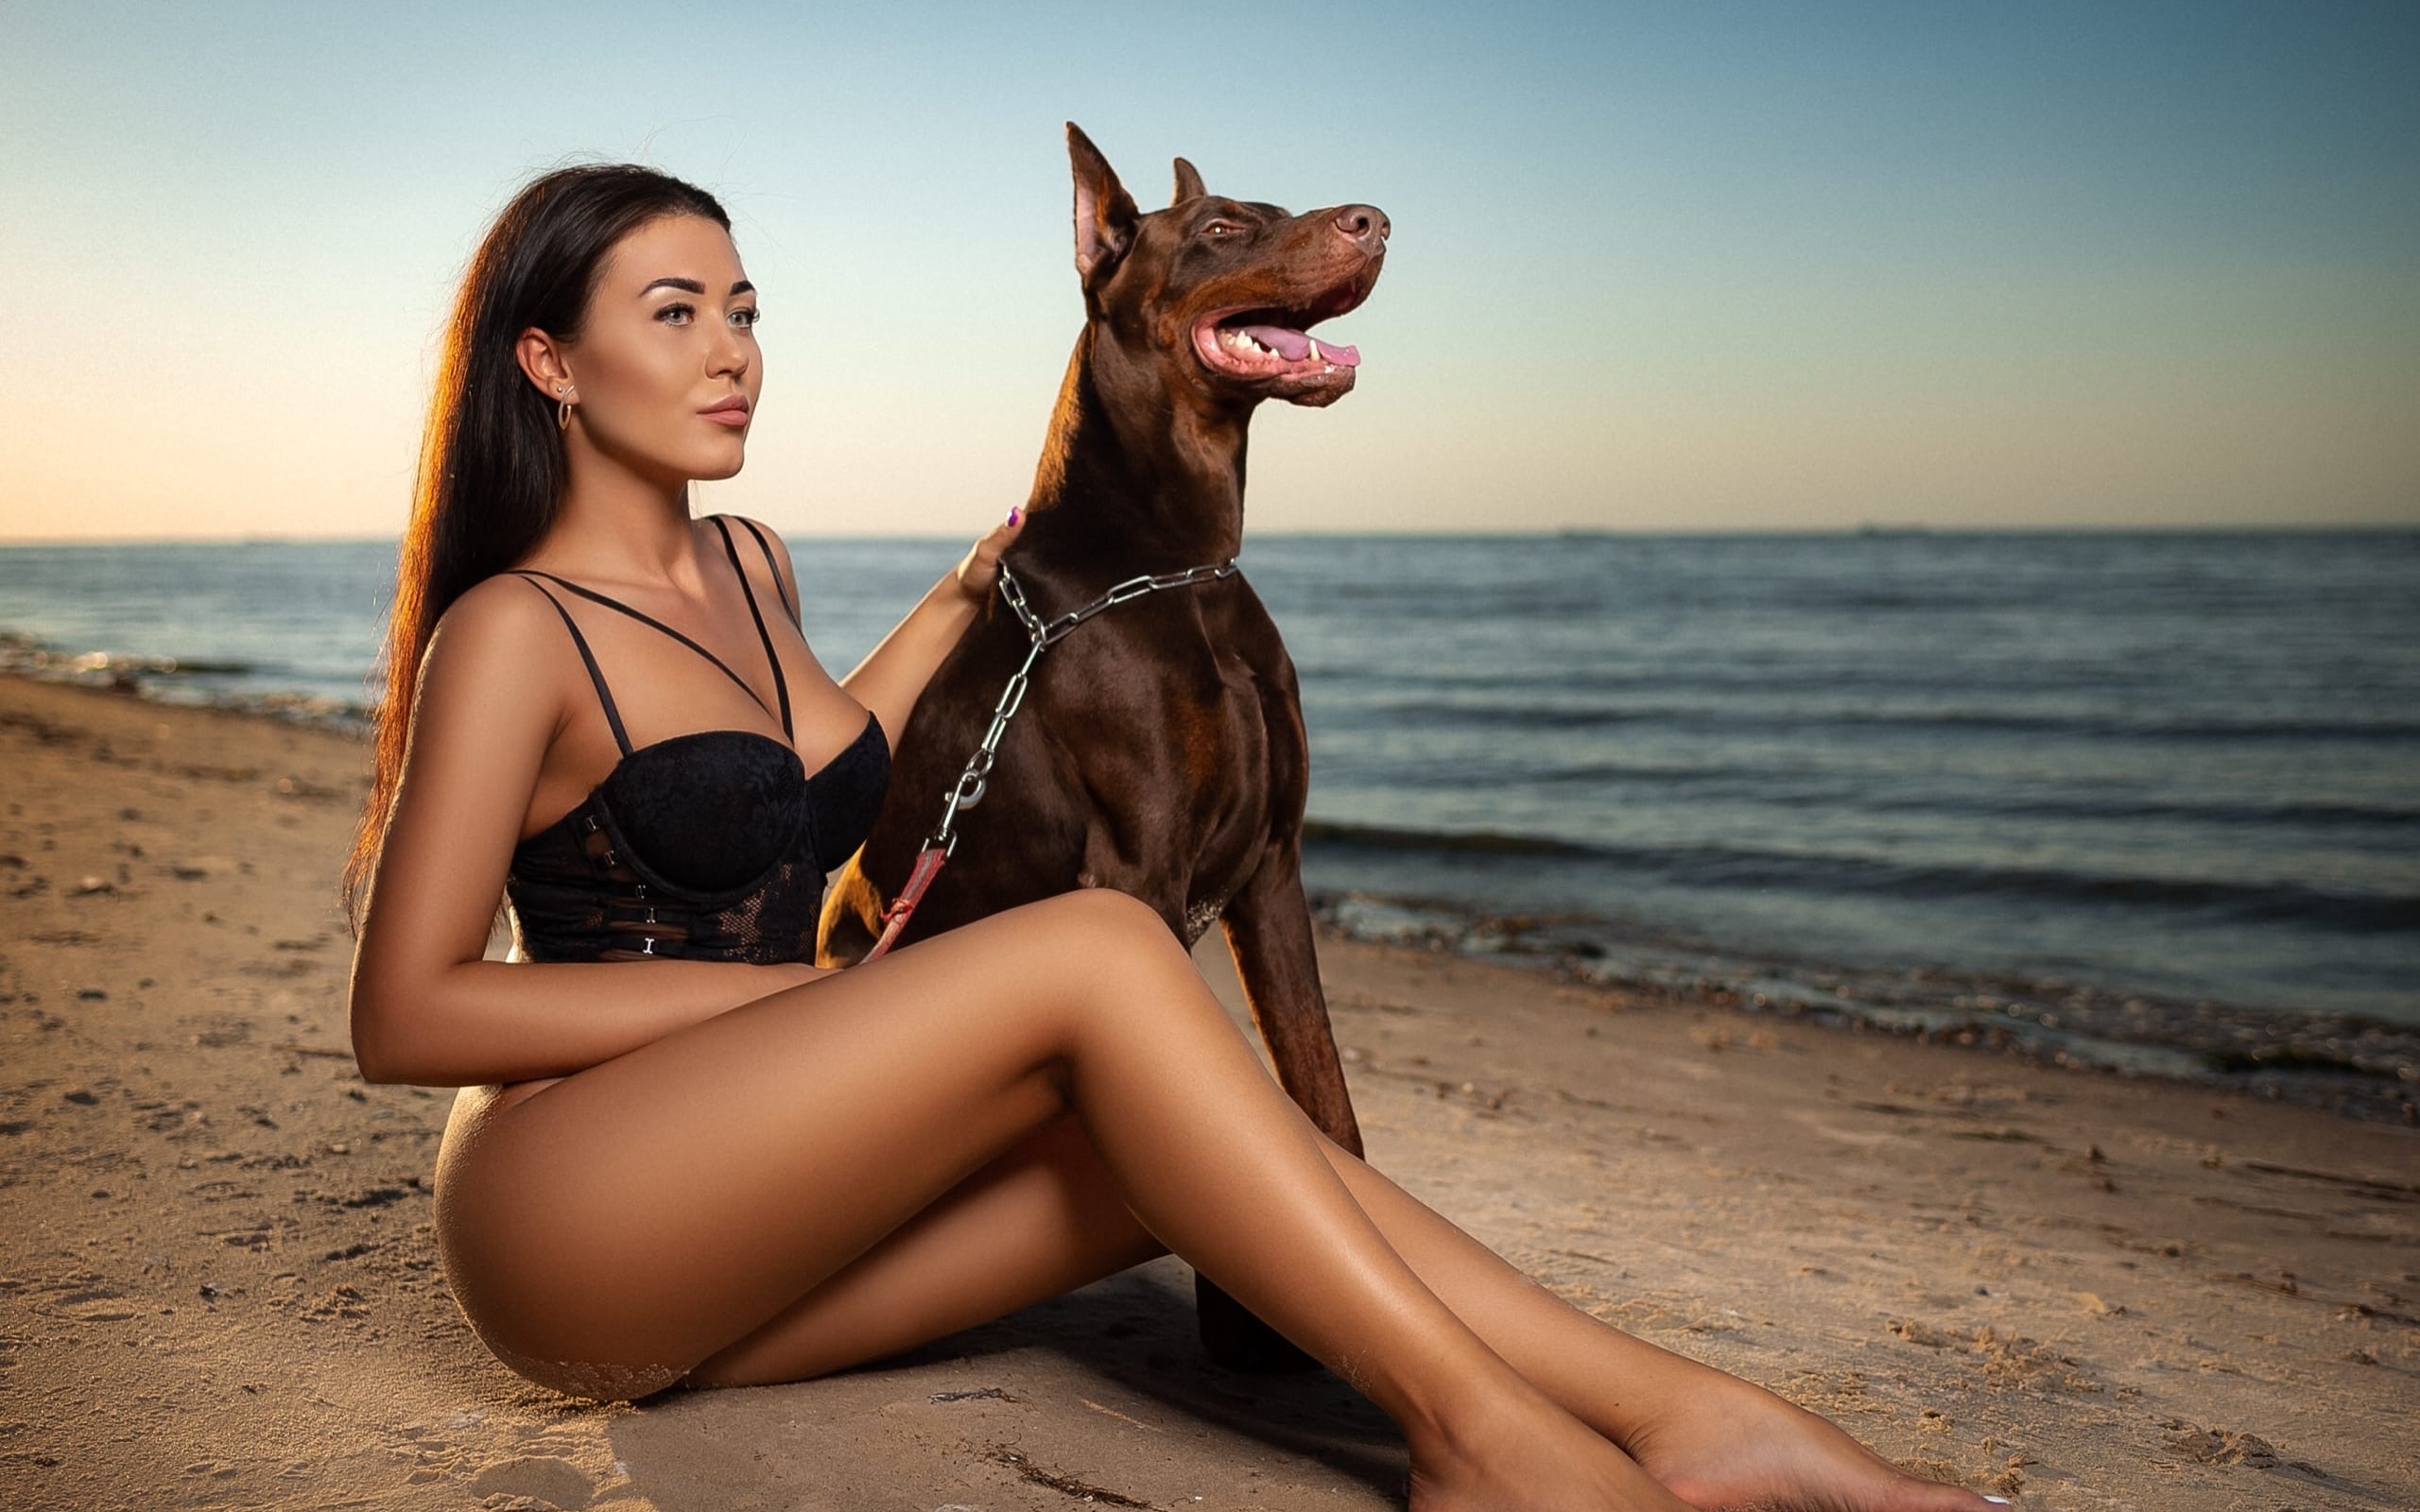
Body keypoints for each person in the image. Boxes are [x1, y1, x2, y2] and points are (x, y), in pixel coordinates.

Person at [340, 162, 2008, 1512]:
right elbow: (404, 1019)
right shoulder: (509, 632)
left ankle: (1706, 1418)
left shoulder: (752, 564)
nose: (734, 353)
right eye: (676, 312)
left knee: (1178, 1149)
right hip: (574, 1232)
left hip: (749, 1228)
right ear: (548, 362)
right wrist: (797, 1007)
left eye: (748, 310)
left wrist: (976, 581)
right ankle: (1480, 1443)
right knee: (1104, 946)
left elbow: (796, 763)